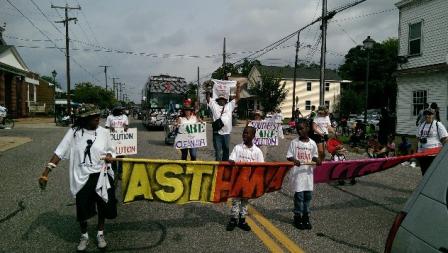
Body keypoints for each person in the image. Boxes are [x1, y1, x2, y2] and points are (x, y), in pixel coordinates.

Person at [38, 104, 116, 251]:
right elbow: (60, 152)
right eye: (94, 117)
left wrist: (110, 156)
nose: (97, 118)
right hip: (82, 177)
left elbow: (111, 150)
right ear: (85, 119)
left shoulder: (105, 133)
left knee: (103, 204)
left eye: (98, 115)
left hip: (101, 175)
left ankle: (100, 234)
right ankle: (84, 235)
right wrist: (46, 172)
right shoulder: (74, 132)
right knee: (82, 208)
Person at [226, 126, 264, 232]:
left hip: (249, 182)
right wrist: (231, 162)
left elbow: (261, 167)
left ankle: (242, 220)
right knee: (236, 201)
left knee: (245, 201)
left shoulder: (257, 151)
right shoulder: (238, 148)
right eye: (244, 133)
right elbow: (232, 159)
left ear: (253, 136)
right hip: (238, 180)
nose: (245, 135)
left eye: (247, 133)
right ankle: (233, 219)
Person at [287, 120, 321, 230]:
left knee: (307, 197)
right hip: (298, 175)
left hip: (307, 175)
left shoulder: (312, 143)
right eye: (298, 129)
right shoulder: (294, 143)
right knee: (299, 197)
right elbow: (289, 156)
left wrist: (317, 159)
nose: (299, 131)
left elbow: (314, 156)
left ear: (308, 128)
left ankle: (306, 217)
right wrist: (294, 160)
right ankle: (298, 216)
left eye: (302, 128)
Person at [206, 81, 241, 161]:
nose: (222, 101)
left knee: (226, 152)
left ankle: (224, 169)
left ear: (226, 101)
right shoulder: (214, 105)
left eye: (223, 99)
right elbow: (208, 99)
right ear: (217, 100)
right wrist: (208, 89)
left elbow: (237, 98)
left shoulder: (229, 105)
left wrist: (238, 87)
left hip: (227, 134)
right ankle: (218, 169)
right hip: (217, 134)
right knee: (218, 153)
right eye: (220, 99)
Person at [416, 108, 448, 175]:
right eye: (426, 114)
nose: (427, 116)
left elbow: (445, 138)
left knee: (432, 173)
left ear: (433, 115)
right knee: (424, 172)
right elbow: (418, 137)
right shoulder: (421, 124)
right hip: (422, 153)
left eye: (430, 114)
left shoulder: (437, 124)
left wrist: (443, 151)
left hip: (433, 154)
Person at [105, 105, 129, 180]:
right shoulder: (110, 117)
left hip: (121, 140)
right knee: (114, 156)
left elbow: (126, 126)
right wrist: (110, 128)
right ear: (115, 110)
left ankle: (120, 173)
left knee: (121, 157)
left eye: (122, 110)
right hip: (112, 140)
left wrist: (125, 127)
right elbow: (106, 127)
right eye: (119, 110)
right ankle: (114, 172)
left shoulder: (124, 116)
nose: (121, 111)